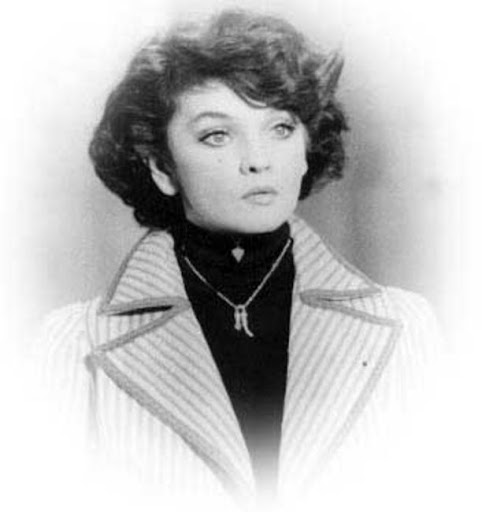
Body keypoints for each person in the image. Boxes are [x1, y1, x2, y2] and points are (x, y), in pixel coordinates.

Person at [37, 8, 440, 509]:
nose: (259, 159)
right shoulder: (75, 347)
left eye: (281, 127)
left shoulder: (404, 327)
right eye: (217, 135)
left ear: (306, 147)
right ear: (162, 167)